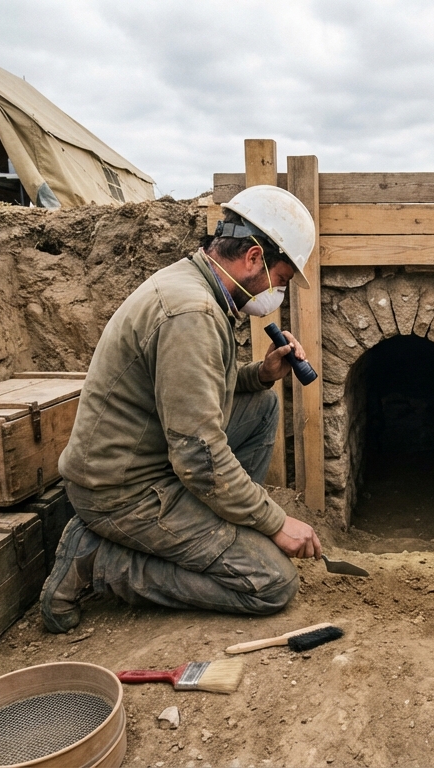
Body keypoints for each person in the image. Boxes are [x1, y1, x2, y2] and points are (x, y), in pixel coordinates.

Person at [40, 185, 322, 632]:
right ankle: (99, 561)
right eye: (282, 280)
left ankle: (218, 529)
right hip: (121, 491)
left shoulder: (193, 282)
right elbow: (199, 456)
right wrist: (274, 522)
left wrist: (262, 374)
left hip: (148, 458)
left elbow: (196, 393)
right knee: (271, 582)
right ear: (252, 258)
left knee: (263, 405)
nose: (279, 293)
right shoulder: (191, 313)